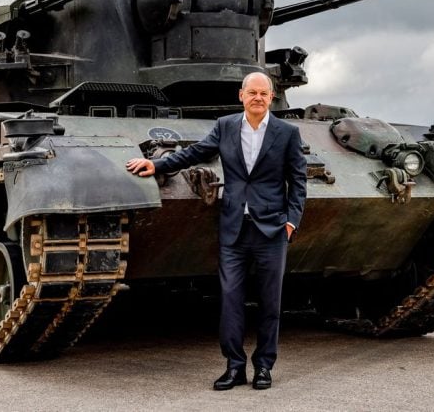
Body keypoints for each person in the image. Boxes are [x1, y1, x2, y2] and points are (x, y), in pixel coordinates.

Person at [126, 72, 307, 391]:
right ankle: (234, 366)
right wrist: (157, 165)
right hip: (234, 229)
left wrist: (291, 222)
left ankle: (264, 366)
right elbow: (195, 153)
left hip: (272, 230)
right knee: (231, 301)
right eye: (252, 92)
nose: (258, 98)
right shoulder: (225, 126)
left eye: (264, 93)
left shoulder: (287, 132)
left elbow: (298, 181)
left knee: (270, 303)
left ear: (272, 97)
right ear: (242, 96)